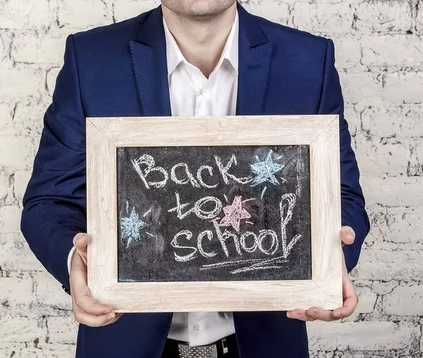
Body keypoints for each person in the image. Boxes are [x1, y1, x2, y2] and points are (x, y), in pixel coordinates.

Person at [20, 1, 370, 357]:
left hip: (261, 343)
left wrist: (333, 258)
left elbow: (340, 193)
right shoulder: (92, 59)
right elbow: (50, 200)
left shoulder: (308, 60)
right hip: (125, 342)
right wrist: (75, 259)